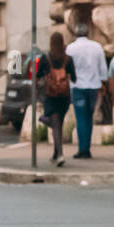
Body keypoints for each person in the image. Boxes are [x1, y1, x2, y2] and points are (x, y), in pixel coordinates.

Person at [65, 23, 107, 159]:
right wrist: (103, 82)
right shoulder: (97, 47)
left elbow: (67, 68)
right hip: (93, 85)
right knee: (89, 117)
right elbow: (102, 67)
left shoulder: (71, 48)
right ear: (88, 33)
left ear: (76, 33)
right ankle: (86, 147)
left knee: (81, 117)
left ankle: (83, 149)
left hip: (77, 86)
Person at [34, 31, 75, 166]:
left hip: (51, 95)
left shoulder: (46, 58)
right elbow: (74, 77)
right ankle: (56, 154)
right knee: (58, 124)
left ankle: (60, 154)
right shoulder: (68, 59)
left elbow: (38, 74)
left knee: (56, 125)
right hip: (64, 96)